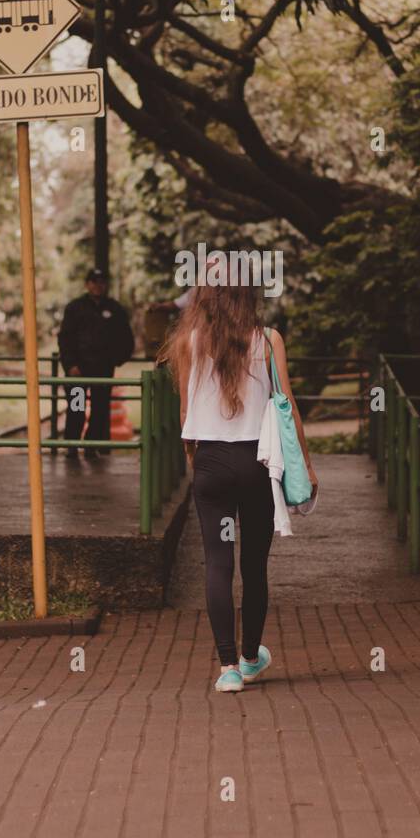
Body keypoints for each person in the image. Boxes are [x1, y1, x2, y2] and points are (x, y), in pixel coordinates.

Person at [161, 280, 317, 692]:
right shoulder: (268, 339)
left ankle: (227, 667)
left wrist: (196, 461)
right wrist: (306, 462)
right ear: (248, 297)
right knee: (254, 564)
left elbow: (184, 413)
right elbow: (287, 403)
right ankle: (251, 657)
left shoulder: (190, 342)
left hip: (211, 461)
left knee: (217, 562)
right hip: (257, 462)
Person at [58, 268, 134, 460]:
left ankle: (92, 446)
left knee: (100, 408)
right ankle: (72, 446)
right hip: (78, 370)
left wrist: (117, 359)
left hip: (102, 369)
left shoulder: (115, 309)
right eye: (93, 281)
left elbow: (126, 338)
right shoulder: (75, 308)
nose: (97, 285)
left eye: (101, 281)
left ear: (105, 284)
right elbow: (65, 338)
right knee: (76, 407)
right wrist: (70, 365)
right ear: (87, 284)